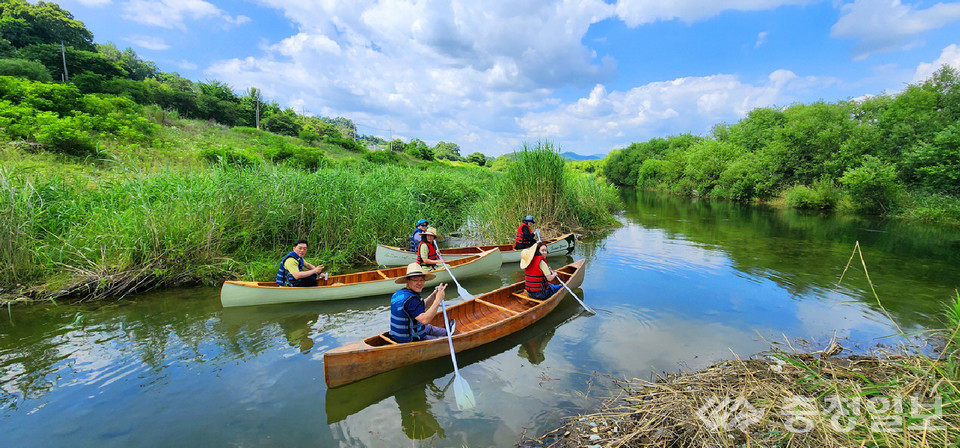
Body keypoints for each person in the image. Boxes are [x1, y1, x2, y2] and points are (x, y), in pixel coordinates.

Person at [389, 263, 455, 342]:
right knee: (439, 337)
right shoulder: (412, 300)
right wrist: (438, 300)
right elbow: (425, 320)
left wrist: (433, 295)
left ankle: (446, 332)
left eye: (422, 280)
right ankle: (448, 336)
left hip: (397, 335)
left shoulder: (400, 293)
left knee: (427, 328)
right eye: (415, 280)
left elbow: (418, 307)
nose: (419, 283)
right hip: (410, 339)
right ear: (407, 281)